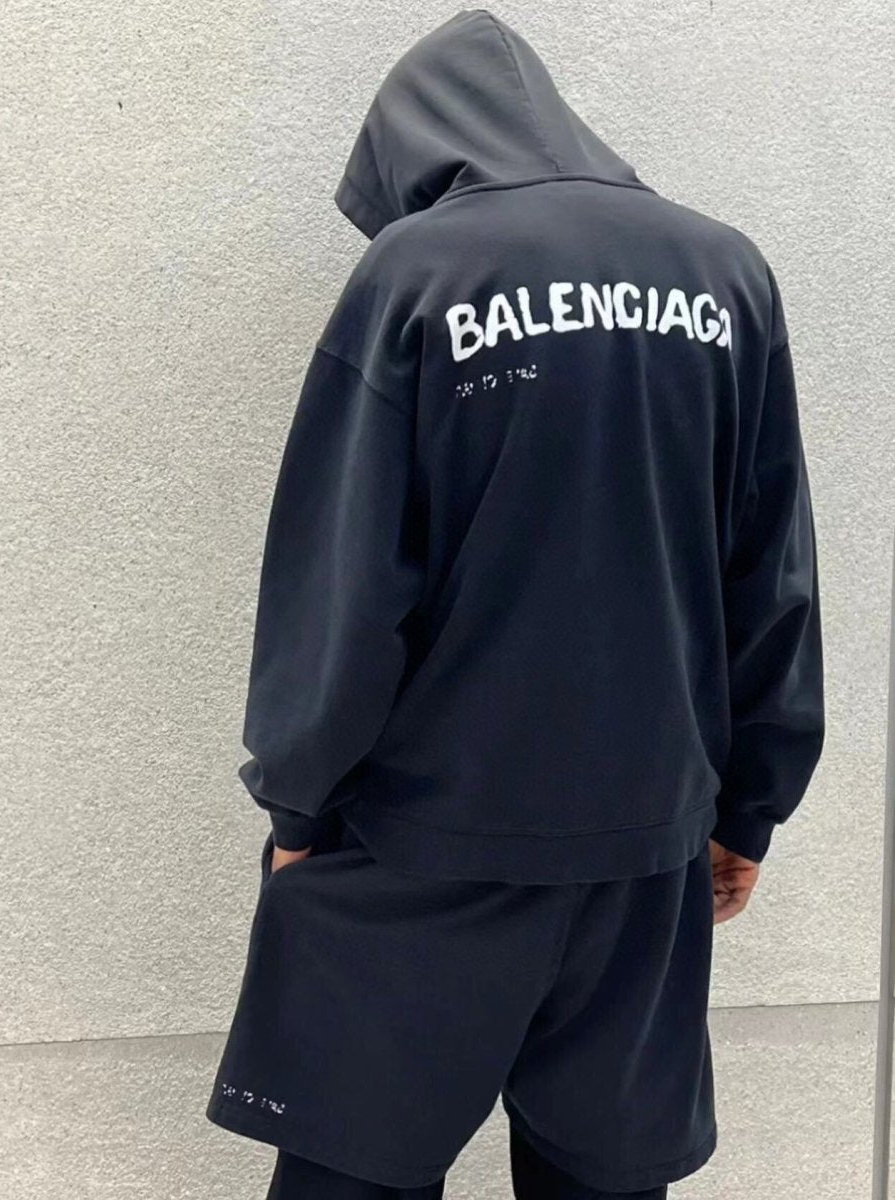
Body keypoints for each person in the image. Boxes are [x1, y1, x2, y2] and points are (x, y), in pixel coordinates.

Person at [205, 9, 825, 1198]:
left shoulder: (417, 271)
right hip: (645, 848)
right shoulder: (725, 272)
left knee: (351, 1181)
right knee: (604, 1181)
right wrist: (749, 806)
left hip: (422, 845)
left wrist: (296, 800)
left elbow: (343, 579)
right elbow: (770, 565)